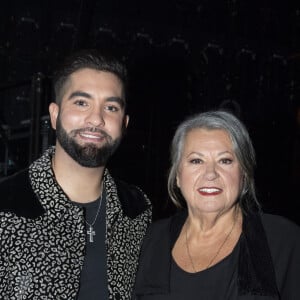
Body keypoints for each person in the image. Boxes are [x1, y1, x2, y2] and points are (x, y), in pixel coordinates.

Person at [0, 49, 152, 300]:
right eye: (81, 102)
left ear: (124, 124)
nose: (96, 118)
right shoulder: (7, 204)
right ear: (55, 114)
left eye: (111, 107)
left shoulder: (137, 211)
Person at [134, 110, 300, 299]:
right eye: (196, 160)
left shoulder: (283, 241)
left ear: (244, 175)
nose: (210, 173)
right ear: (178, 176)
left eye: (225, 160)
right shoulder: (148, 241)